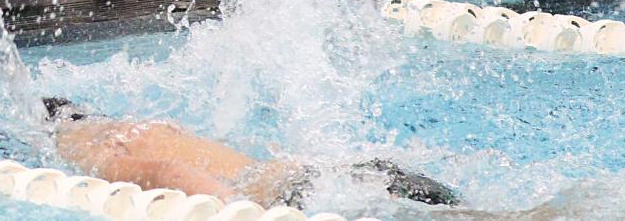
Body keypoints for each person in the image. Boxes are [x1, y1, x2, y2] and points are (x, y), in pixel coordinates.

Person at [40, 97, 461, 210]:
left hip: (294, 197)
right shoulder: (152, 125)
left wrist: (235, 210)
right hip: (320, 174)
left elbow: (170, 172)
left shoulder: (97, 150)